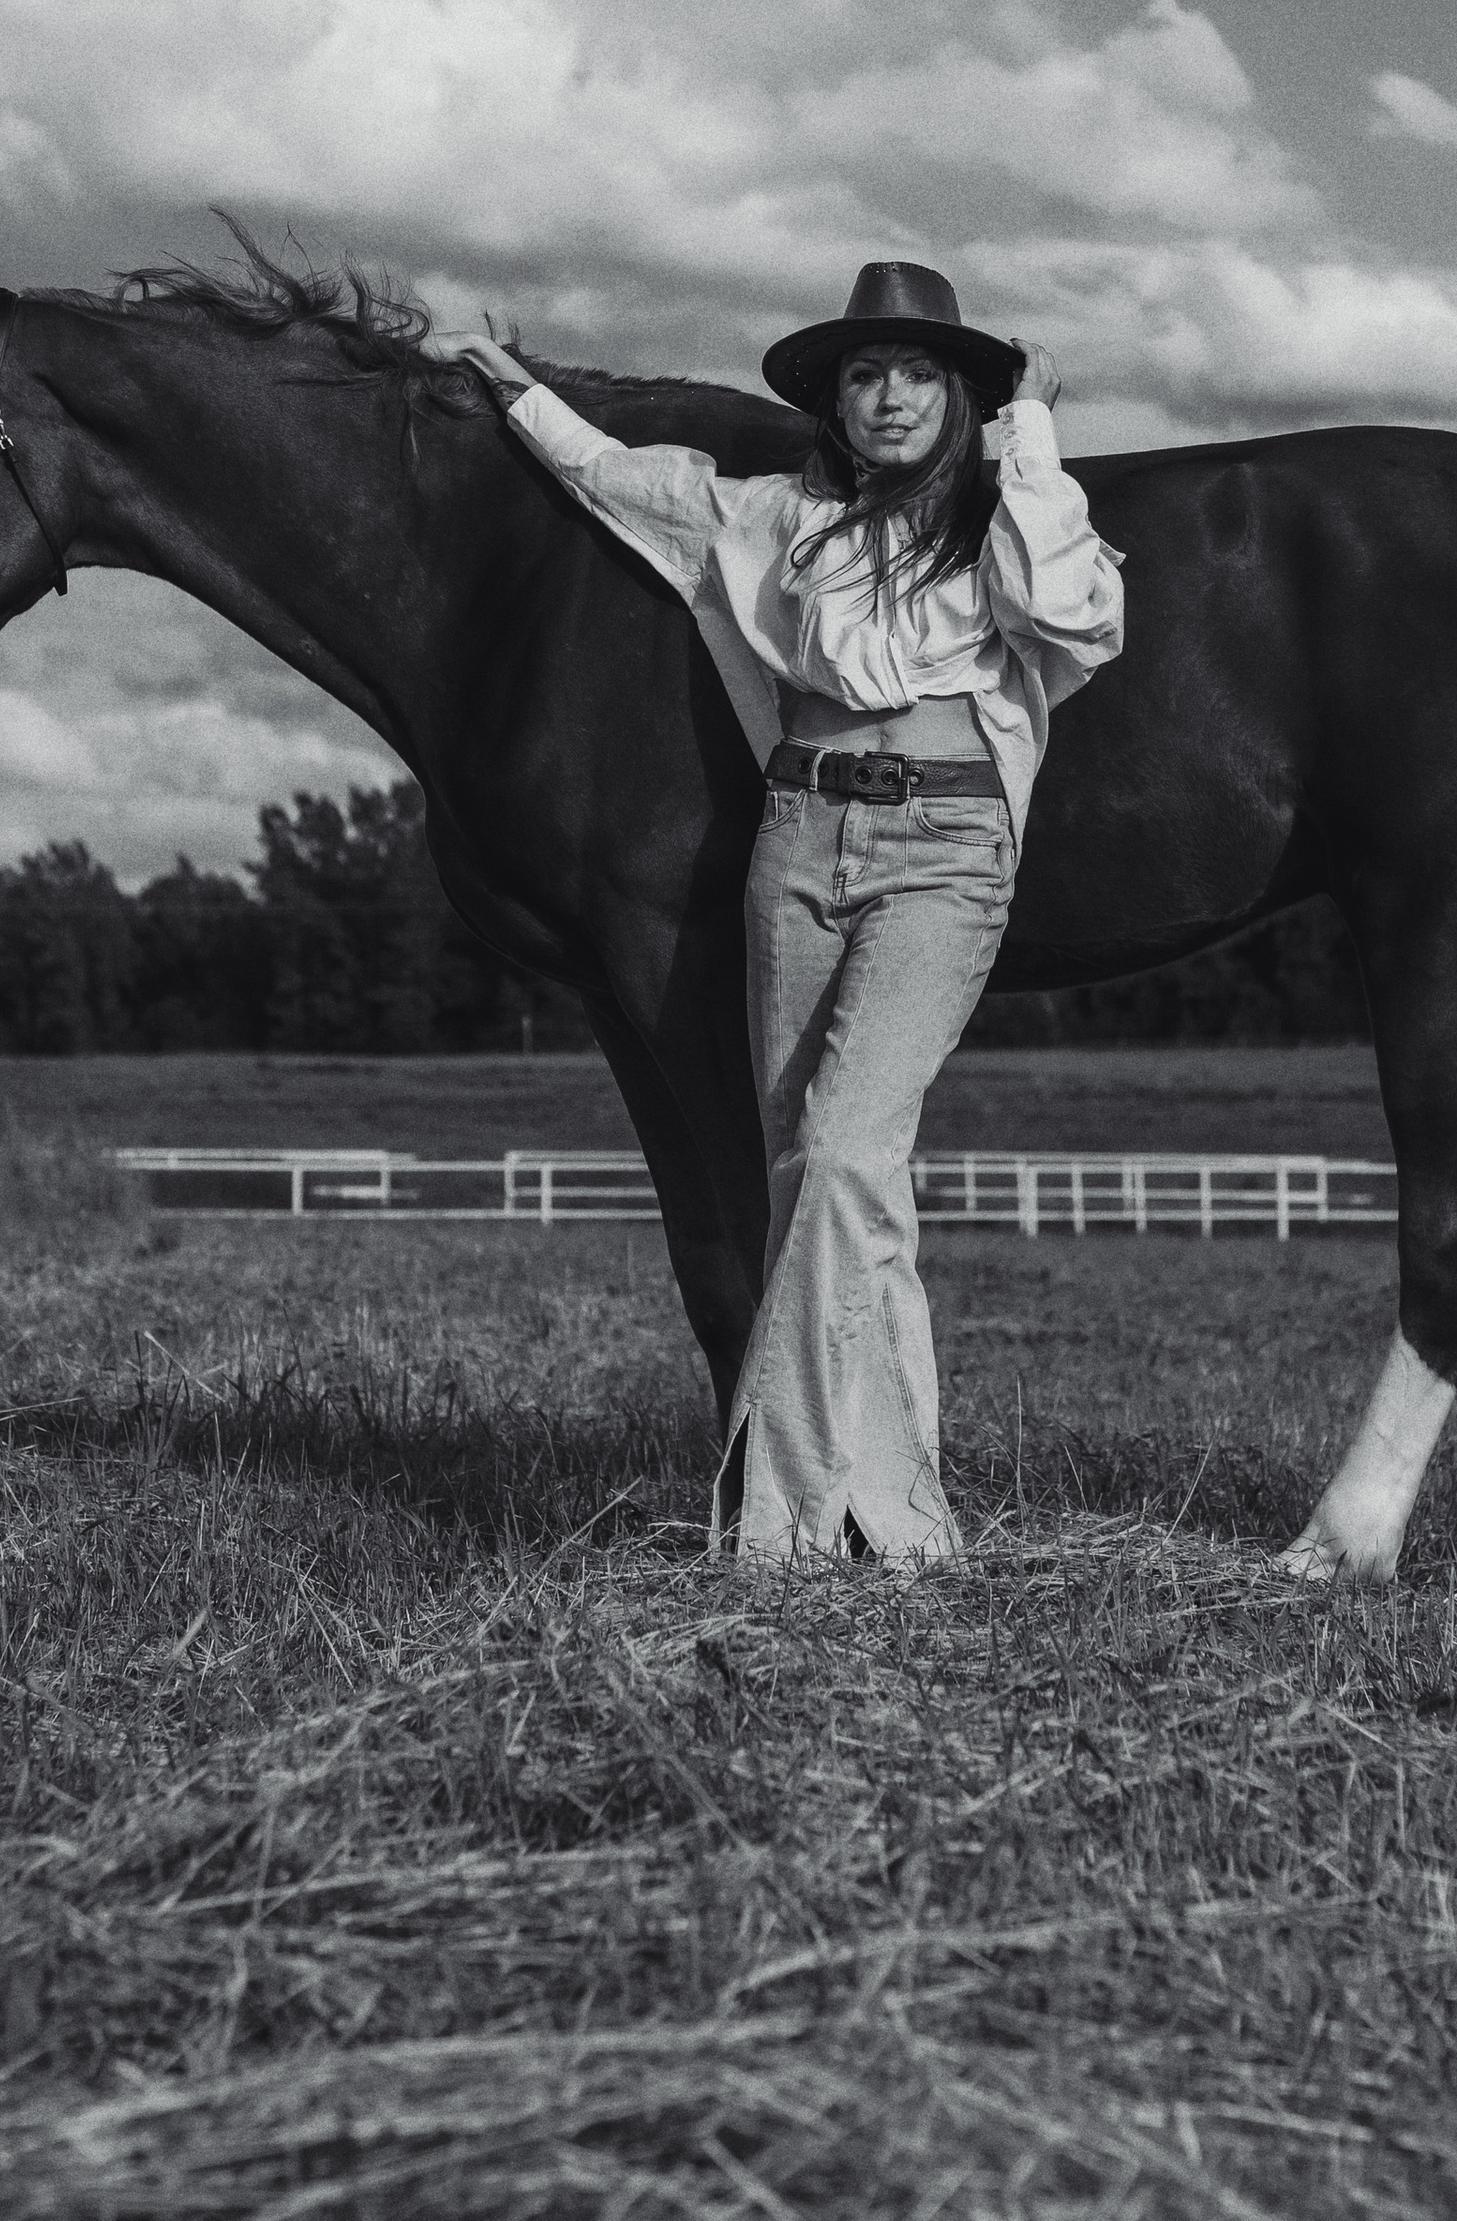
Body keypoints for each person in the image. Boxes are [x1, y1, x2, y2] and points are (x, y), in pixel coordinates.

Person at [424, 261, 1124, 1568]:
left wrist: (1029, 434)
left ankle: (781, 1518)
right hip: (797, 838)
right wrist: (521, 396)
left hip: (947, 846)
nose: (892, 396)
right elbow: (636, 485)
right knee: (818, 1172)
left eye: (921, 373)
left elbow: (1072, 612)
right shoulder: (780, 517)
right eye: (867, 374)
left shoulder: (1010, 510)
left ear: (963, 393)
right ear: (837, 399)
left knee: (850, 1148)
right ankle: (898, 1522)